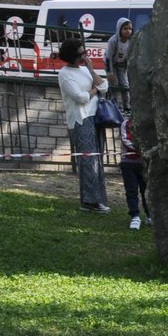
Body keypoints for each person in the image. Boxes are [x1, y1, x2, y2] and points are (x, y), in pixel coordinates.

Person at [56, 38, 109, 213]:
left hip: (95, 117)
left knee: (97, 159)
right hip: (81, 119)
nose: (84, 56)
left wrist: (92, 70)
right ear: (71, 56)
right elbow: (80, 98)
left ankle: (98, 198)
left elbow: (105, 86)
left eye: (84, 53)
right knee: (88, 161)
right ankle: (89, 202)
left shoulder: (85, 70)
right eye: (80, 54)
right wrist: (94, 91)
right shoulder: (65, 74)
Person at [119, 114, 149, 231]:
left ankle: (150, 215)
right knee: (131, 190)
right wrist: (140, 150)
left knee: (145, 190)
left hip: (143, 163)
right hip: (128, 163)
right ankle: (135, 216)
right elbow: (126, 140)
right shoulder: (125, 124)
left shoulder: (146, 124)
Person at [104, 17, 135, 112]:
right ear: (119, 29)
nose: (128, 31)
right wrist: (109, 72)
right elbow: (108, 58)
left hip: (122, 64)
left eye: (130, 29)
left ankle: (126, 106)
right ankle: (115, 105)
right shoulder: (113, 41)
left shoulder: (131, 41)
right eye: (125, 29)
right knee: (114, 84)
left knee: (125, 85)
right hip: (112, 63)